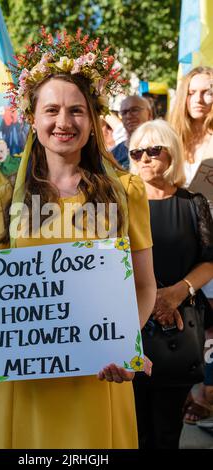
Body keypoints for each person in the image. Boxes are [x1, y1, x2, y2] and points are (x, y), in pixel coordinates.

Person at [0, 30, 156, 449]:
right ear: (33, 118)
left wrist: (124, 342)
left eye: (77, 110)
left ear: (93, 120)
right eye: (52, 110)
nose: (64, 122)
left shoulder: (127, 190)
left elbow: (145, 284)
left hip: (97, 377)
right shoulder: (6, 196)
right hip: (23, 385)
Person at [129, 119, 213, 448]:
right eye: (136, 152)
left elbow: (209, 259)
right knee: (133, 431)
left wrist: (177, 293)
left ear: (172, 154)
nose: (144, 159)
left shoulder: (193, 204)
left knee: (166, 433)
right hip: (131, 328)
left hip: (178, 332)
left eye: (153, 150)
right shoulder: (120, 206)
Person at [169, 66, 213, 422]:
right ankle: (187, 389)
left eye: (208, 91)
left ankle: (205, 394)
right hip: (181, 240)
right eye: (193, 92)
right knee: (188, 316)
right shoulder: (171, 138)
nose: (200, 99)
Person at [113, 95, 152, 170]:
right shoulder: (114, 155)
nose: (128, 116)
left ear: (149, 114)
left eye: (134, 110)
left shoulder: (160, 147)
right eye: (124, 113)